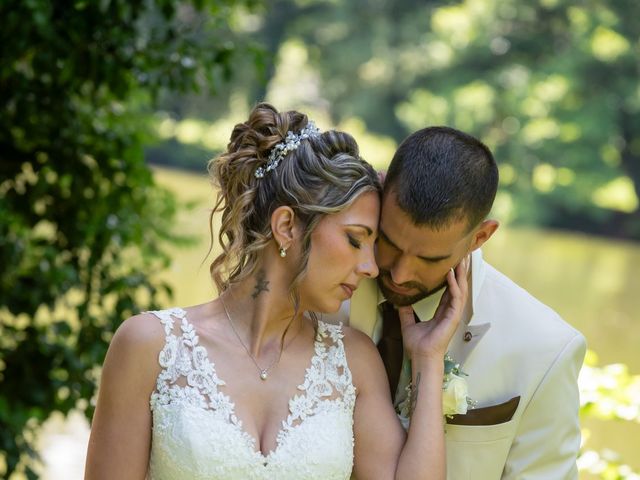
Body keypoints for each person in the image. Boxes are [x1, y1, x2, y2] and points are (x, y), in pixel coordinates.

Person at [84, 104, 470, 479]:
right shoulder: (148, 347)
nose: (371, 267)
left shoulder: (353, 362)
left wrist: (428, 357)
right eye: (356, 241)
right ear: (286, 226)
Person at [336, 126, 587, 479]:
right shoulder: (322, 297)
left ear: (480, 237)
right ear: (379, 190)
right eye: (390, 243)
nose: (400, 273)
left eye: (429, 258)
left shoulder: (546, 348)